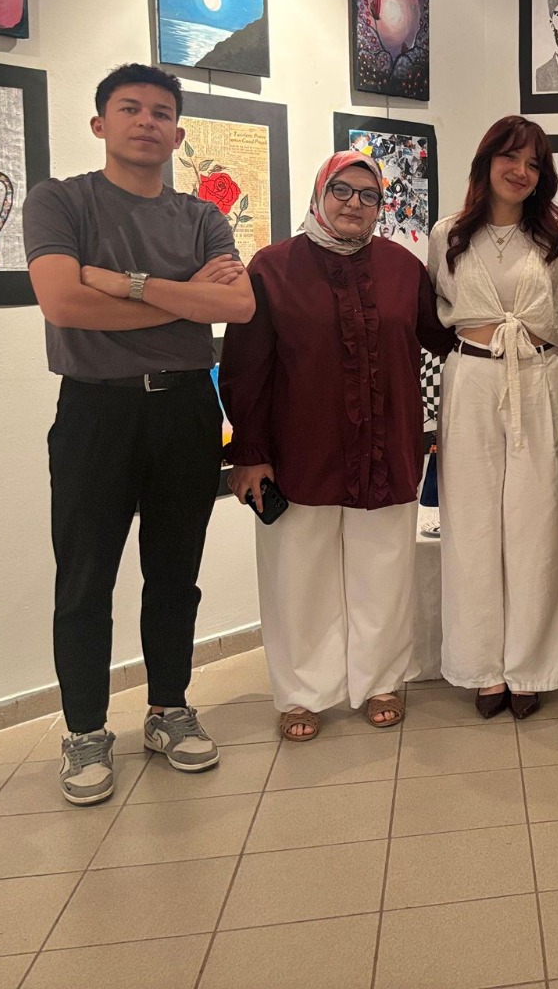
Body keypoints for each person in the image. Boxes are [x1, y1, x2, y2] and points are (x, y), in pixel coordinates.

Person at [23, 63, 256, 805]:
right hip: (95, 412)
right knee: (85, 579)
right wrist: (187, 302)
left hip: (187, 409)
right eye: (130, 109)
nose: (146, 122)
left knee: (175, 573)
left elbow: (239, 307)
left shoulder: (201, 217)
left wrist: (121, 283)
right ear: (100, 124)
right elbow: (64, 304)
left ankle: (168, 709)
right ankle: (85, 730)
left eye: (161, 112)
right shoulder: (60, 201)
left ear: (178, 135)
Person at [218, 151, 454, 741]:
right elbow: (246, 368)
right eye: (342, 191)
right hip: (301, 449)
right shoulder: (272, 268)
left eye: (369, 196)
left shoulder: (402, 268)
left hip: (387, 447)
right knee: (299, 576)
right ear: (320, 194)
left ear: (381, 206)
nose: (355, 204)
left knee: (386, 571)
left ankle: (381, 681)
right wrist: (250, 452)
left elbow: (443, 338)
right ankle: (303, 692)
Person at [429, 115, 558, 720]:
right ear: (487, 160)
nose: (520, 170)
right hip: (470, 380)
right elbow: (435, 315)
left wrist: (548, 374)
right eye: (510, 157)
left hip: (539, 379)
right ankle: (481, 667)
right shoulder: (447, 234)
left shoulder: (557, 240)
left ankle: (531, 668)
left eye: (533, 163)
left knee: (539, 526)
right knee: (470, 527)